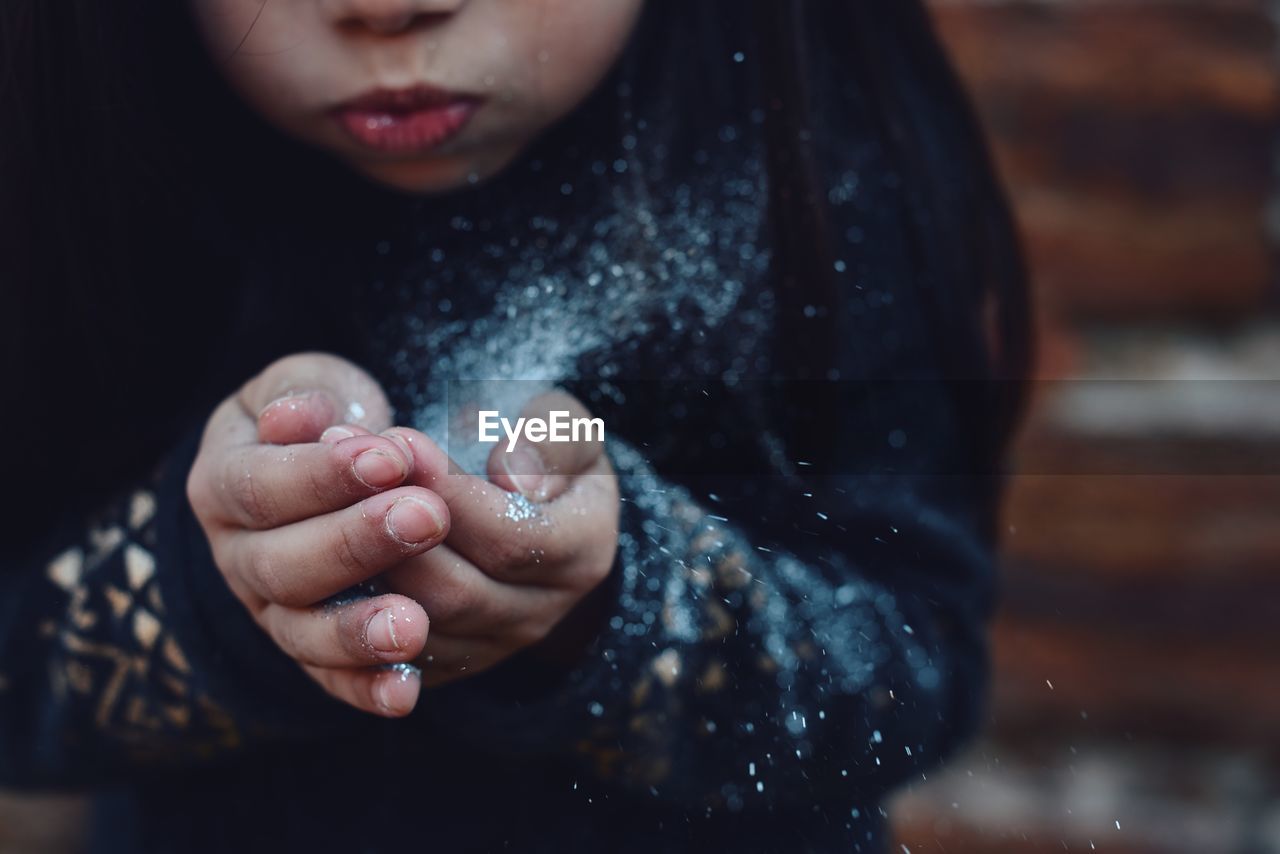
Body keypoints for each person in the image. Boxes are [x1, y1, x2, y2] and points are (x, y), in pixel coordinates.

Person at [0, 0, 1031, 851]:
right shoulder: (84, 161)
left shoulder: (809, 157)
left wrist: (615, 604)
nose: (389, 10)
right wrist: (219, 584)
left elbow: (912, 668)